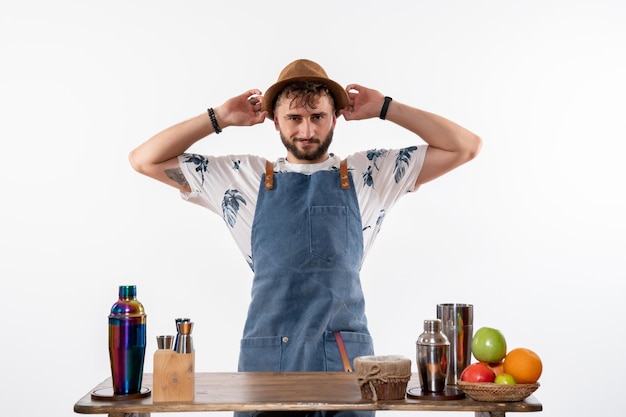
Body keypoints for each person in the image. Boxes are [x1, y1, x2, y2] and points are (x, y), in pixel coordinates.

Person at [129, 59, 482, 417]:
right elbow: (144, 159)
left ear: (336, 117)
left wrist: (385, 108)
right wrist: (219, 116)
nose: (307, 131)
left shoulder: (370, 173)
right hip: (266, 366)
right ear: (274, 121)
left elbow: (465, 147)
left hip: (347, 365)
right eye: (294, 118)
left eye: (318, 117)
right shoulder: (243, 177)